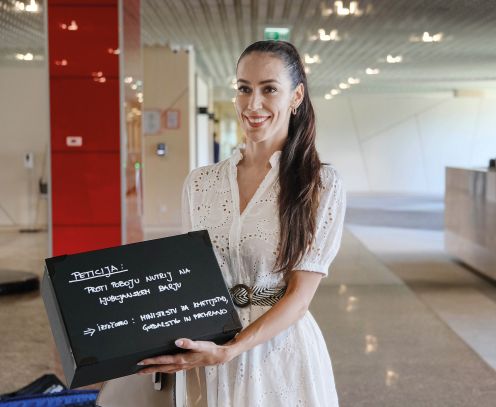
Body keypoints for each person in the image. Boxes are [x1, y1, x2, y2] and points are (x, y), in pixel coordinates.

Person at [137, 40, 346, 406]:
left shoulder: (319, 185)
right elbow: (191, 279)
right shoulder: (201, 183)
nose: (253, 104)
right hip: (210, 353)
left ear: (296, 96)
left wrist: (233, 349)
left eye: (269, 89)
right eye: (244, 89)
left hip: (279, 355)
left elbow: (299, 298)